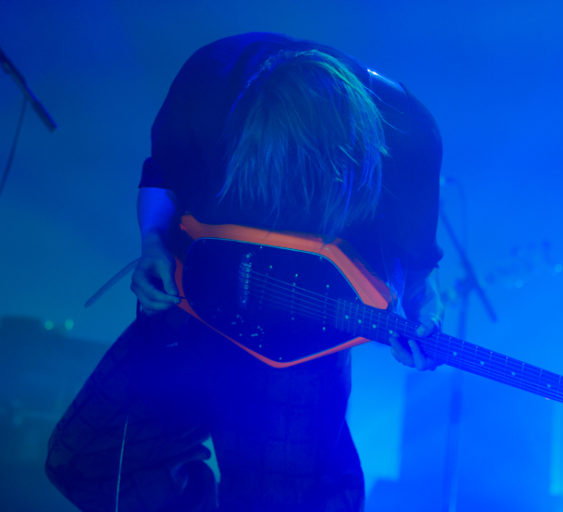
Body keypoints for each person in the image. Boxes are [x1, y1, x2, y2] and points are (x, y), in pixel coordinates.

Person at [45, 32, 443, 512]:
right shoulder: (208, 84)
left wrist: (419, 320)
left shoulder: (409, 135)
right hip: (197, 296)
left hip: (304, 332)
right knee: (86, 457)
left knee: (286, 500)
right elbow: (163, 173)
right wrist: (152, 243)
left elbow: (417, 270)